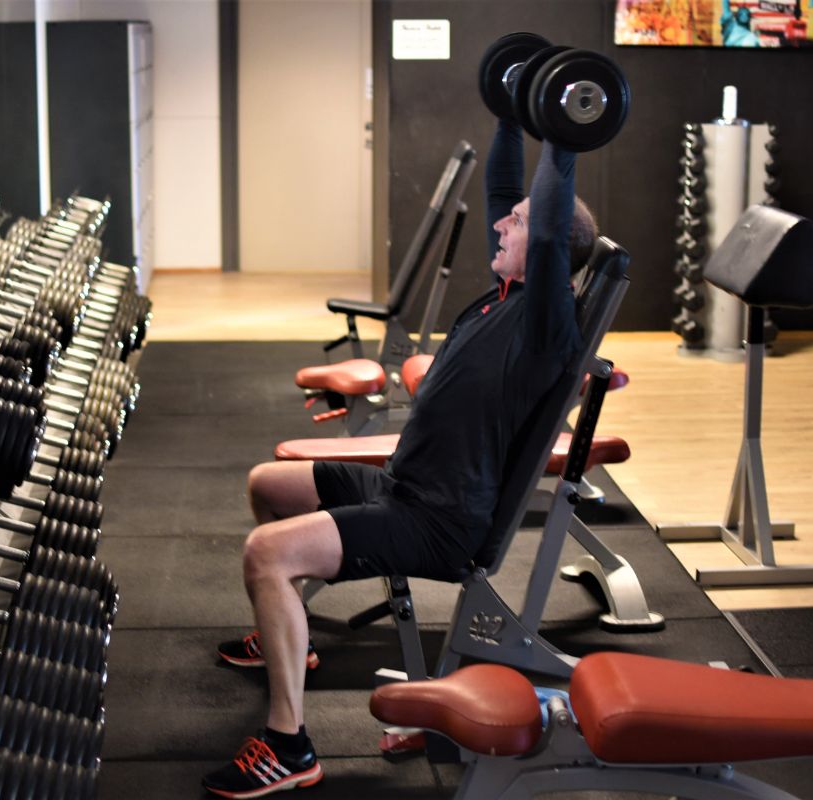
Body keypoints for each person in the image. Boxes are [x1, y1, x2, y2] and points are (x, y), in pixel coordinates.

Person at [201, 117, 598, 799]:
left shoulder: (545, 323)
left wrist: (561, 137)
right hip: (403, 486)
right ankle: (287, 636)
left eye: (518, 222)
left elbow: (551, 208)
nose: (500, 224)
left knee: (266, 554)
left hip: (438, 520)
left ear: (550, 248)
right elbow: (507, 187)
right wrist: (511, 119)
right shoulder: (506, 294)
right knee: (268, 485)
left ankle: (289, 746)